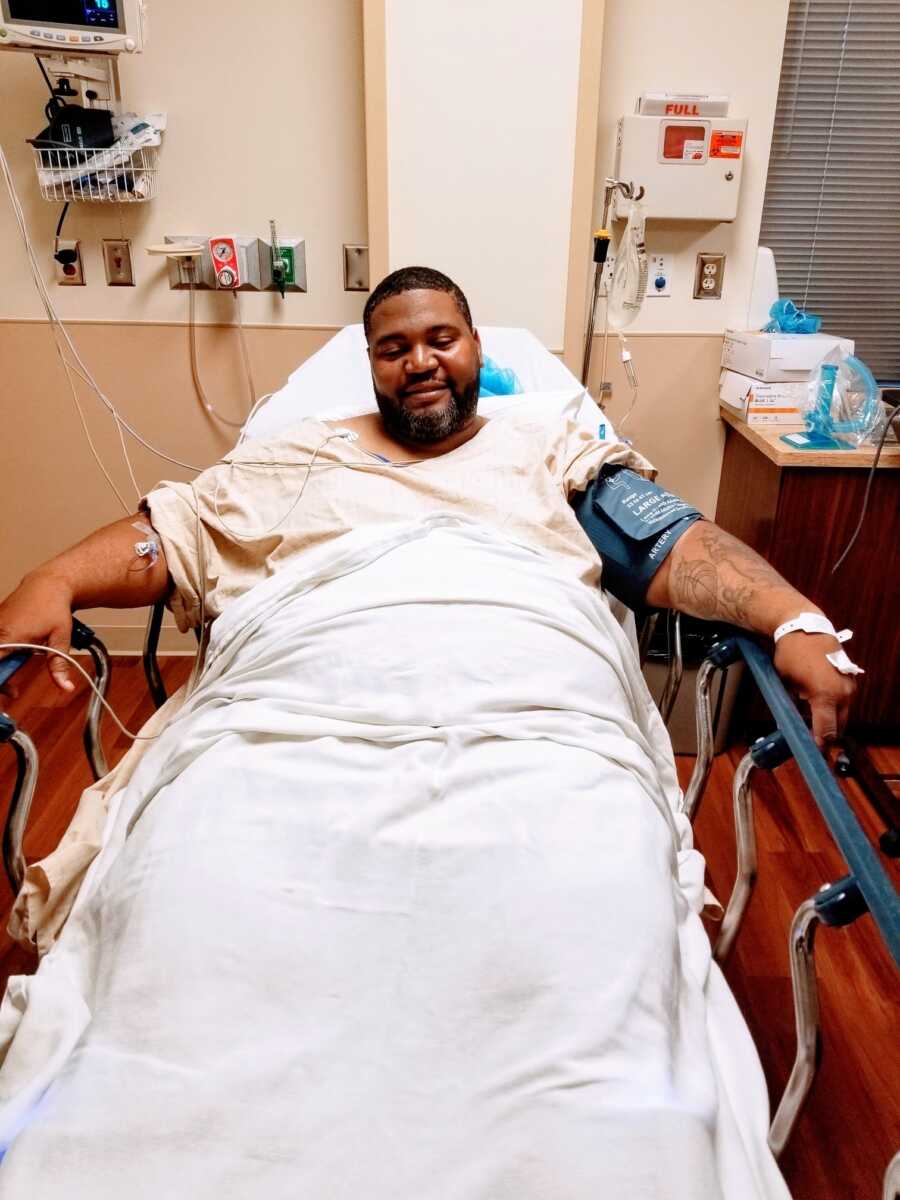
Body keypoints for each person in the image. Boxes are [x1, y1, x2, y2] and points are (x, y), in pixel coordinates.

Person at [0, 265, 856, 745]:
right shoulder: (299, 456)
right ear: (369, 365)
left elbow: (665, 542)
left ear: (477, 347)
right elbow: (177, 534)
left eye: (440, 339)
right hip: (297, 716)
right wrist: (56, 576)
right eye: (392, 348)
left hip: (530, 719)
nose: (418, 361)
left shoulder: (549, 448)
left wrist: (793, 621)